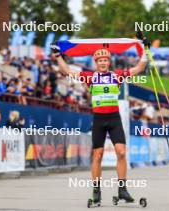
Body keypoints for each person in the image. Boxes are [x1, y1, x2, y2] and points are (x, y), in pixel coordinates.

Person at [51, 40, 148, 204]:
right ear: (96, 63)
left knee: (122, 153)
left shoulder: (116, 75)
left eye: (105, 60)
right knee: (98, 155)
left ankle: (122, 190)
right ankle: (96, 191)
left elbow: (139, 68)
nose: (103, 63)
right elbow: (67, 70)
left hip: (114, 119)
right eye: (100, 60)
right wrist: (58, 55)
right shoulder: (90, 77)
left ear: (109, 62)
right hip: (99, 120)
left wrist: (145, 50)